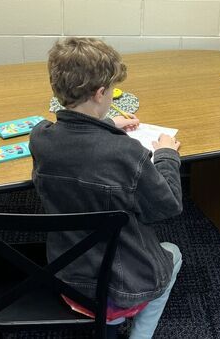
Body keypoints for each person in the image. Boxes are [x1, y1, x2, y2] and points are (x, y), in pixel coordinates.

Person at [30, 37, 183, 339]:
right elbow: (168, 206)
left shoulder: (40, 137)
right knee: (174, 254)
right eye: (111, 91)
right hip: (121, 289)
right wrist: (167, 154)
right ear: (101, 93)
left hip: (66, 279)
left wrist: (108, 124)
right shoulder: (127, 153)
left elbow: (78, 142)